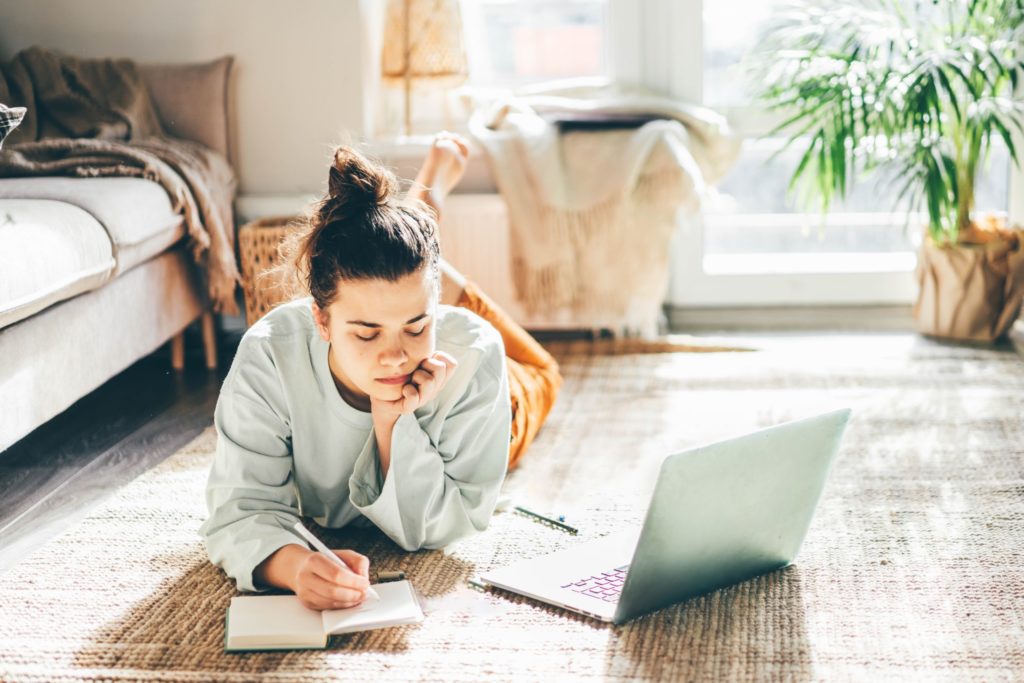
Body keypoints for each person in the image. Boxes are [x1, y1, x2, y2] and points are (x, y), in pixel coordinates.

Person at [199, 133, 562, 611]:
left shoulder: (474, 355)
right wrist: (293, 566)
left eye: (417, 327)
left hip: (509, 397)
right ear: (322, 320)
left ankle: (426, 212)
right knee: (396, 286)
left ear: (437, 314)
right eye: (366, 334)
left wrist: (393, 423)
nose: (394, 358)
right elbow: (236, 510)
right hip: (390, 301)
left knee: (547, 372)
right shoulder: (271, 355)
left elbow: (443, 527)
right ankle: (421, 209)